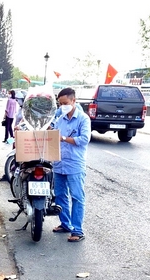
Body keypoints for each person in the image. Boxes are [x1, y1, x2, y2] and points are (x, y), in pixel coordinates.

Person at [51, 87, 91, 242]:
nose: (62, 106)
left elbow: (84, 139)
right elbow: (53, 134)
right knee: (60, 195)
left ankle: (78, 230)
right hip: (59, 163)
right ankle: (65, 224)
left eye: (65, 103)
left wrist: (64, 138)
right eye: (60, 104)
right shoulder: (60, 119)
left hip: (75, 164)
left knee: (77, 197)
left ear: (74, 101)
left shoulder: (83, 119)